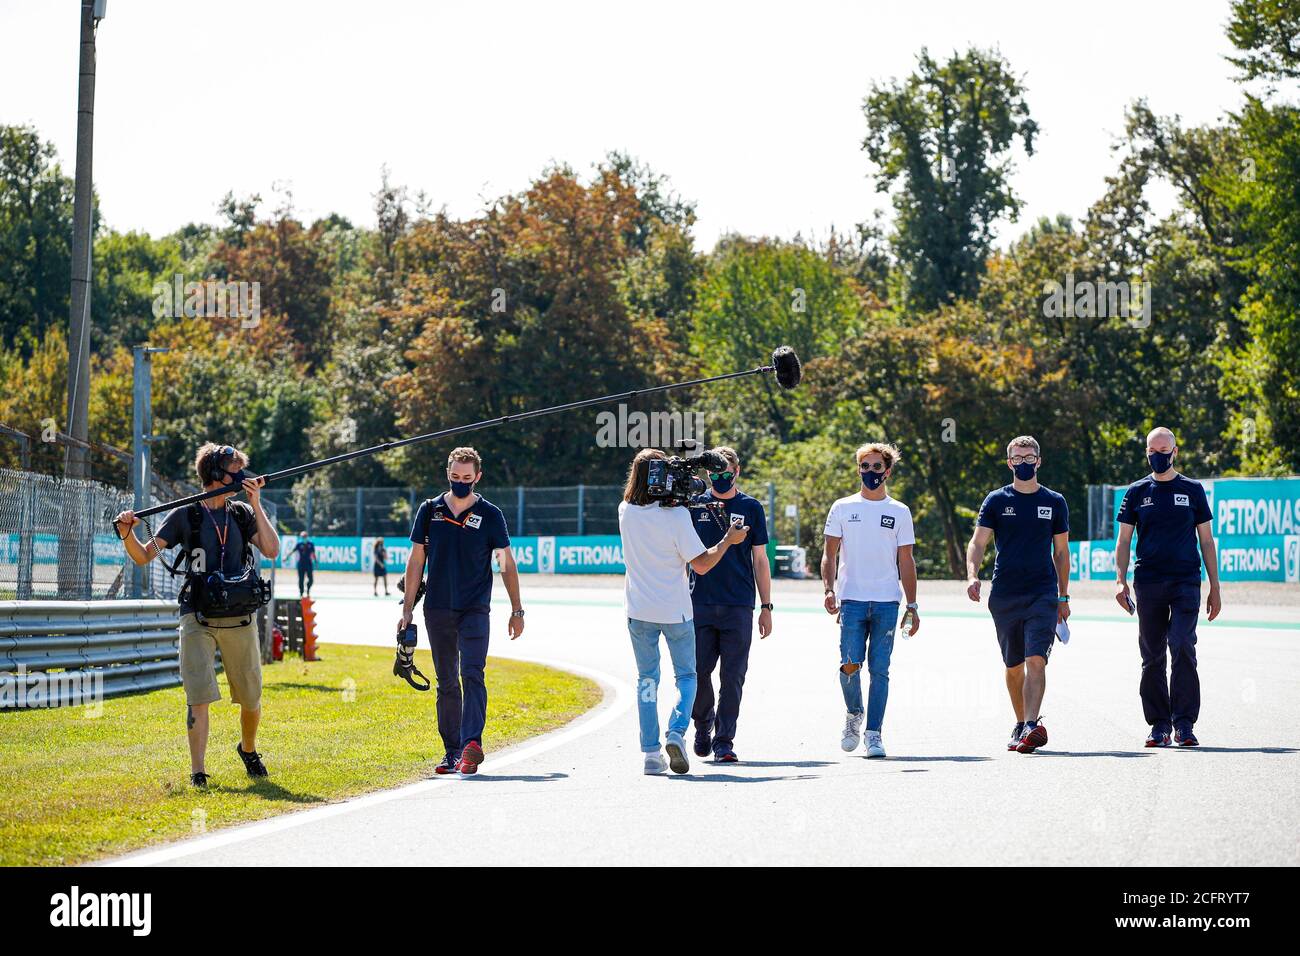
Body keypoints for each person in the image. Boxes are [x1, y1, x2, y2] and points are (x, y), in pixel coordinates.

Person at [113, 443, 280, 787]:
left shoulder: (240, 513)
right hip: (197, 616)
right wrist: (127, 533)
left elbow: (272, 549)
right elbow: (145, 555)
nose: (243, 476)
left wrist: (256, 504)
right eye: (236, 469)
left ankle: (248, 749)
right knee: (199, 696)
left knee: (251, 698)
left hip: (239, 617)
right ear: (217, 474)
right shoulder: (185, 516)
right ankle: (199, 773)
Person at [619, 448, 749, 775]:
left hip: (638, 610)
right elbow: (702, 564)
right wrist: (728, 541)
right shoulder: (677, 517)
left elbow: (650, 503)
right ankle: (676, 731)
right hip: (676, 611)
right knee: (687, 677)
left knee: (647, 679)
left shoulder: (625, 511)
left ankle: (650, 754)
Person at [398, 447, 524, 776]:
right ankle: (451, 751)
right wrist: (407, 609)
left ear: (478, 477)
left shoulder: (492, 515)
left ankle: (472, 744)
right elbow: (416, 561)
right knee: (446, 682)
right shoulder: (430, 510)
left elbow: (506, 563)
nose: (460, 483)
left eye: (467, 478)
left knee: (472, 673)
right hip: (437, 608)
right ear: (447, 474)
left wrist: (517, 609)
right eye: (455, 477)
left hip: (475, 609)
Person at [1115, 427, 1221, 747]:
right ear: (1146, 452)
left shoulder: (1192, 490)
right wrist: (1120, 581)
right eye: (1152, 451)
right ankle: (1159, 724)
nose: (1158, 457)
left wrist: (1215, 587)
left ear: (1174, 453)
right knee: (1152, 655)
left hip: (1186, 581)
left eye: (1164, 451)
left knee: (1182, 644)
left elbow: (1206, 541)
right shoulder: (1135, 492)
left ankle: (1184, 723)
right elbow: (1123, 541)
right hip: (1147, 582)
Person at [966, 435, 1070, 754]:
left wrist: (1063, 597)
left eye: (1029, 458)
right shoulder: (997, 500)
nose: (1023, 463)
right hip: (1005, 595)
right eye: (1017, 458)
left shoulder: (1054, 501)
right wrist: (972, 575)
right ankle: (1021, 722)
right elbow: (978, 542)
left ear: (1038, 461)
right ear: (1009, 462)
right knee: (1014, 666)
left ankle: (1030, 725)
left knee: (1035, 658)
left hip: (1042, 593)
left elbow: (1062, 552)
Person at [821, 442, 919, 759]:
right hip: (852, 600)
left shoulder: (899, 511)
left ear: (887, 471)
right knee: (850, 665)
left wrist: (913, 605)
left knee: (880, 670)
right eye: (865, 466)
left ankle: (874, 733)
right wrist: (829, 589)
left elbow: (907, 560)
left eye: (877, 467)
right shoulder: (842, 507)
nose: (871, 472)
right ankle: (854, 714)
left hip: (888, 602)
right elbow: (829, 554)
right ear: (858, 469)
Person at [687, 446, 773, 763]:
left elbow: (760, 560)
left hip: (738, 604)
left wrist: (766, 606)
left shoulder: (751, 507)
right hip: (698, 602)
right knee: (697, 672)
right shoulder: (693, 504)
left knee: (733, 676)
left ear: (737, 471)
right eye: (714, 473)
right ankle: (702, 723)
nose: (720, 478)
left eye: (726, 472)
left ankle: (724, 740)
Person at [293, 531, 316, 597]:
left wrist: (316, 561)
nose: (304, 538)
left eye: (305, 537)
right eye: (303, 537)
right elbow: (293, 551)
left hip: (308, 564)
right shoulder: (299, 544)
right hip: (301, 564)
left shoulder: (311, 544)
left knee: (311, 579)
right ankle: (301, 592)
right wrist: (286, 557)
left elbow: (313, 554)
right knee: (301, 579)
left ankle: (308, 589)